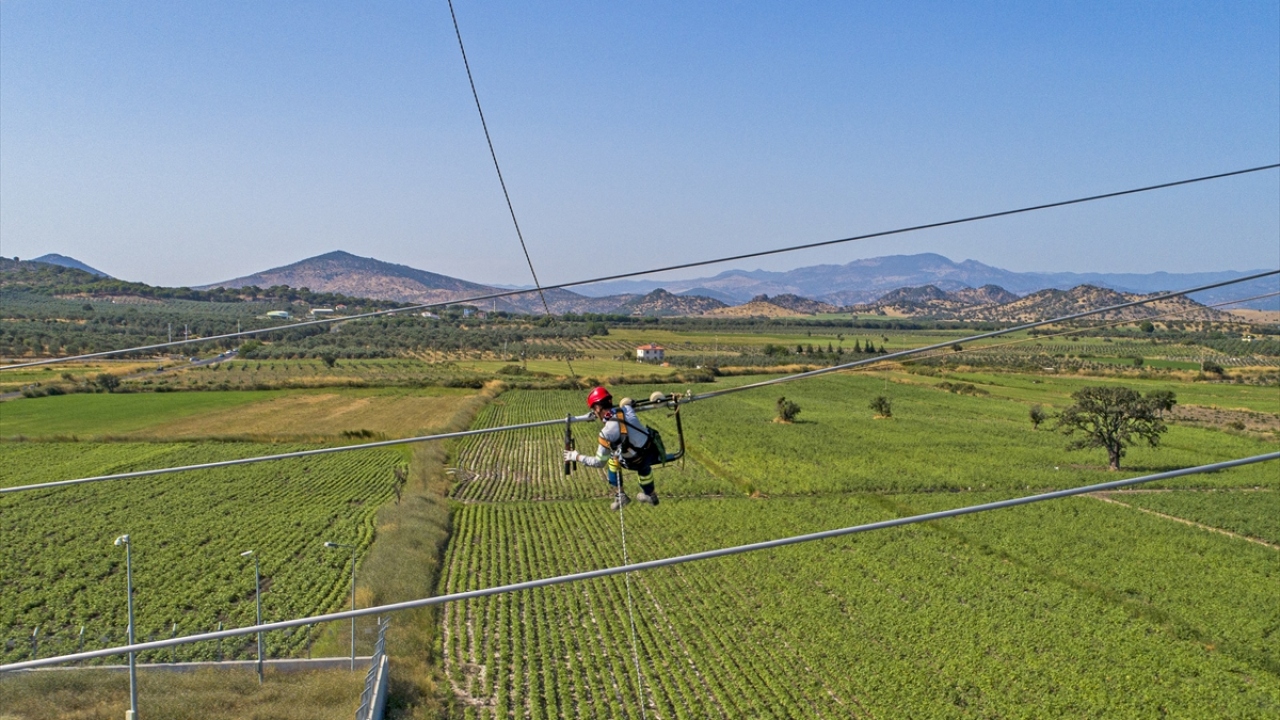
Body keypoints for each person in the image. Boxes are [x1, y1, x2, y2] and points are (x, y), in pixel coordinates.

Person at [564, 386, 660, 510]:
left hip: (635, 461)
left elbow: (599, 462)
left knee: (612, 459)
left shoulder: (606, 433)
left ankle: (620, 496)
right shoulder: (627, 409)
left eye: (594, 409)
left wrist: (576, 456)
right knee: (643, 463)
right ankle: (651, 495)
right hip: (652, 453)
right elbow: (628, 404)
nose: (594, 412)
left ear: (598, 408)